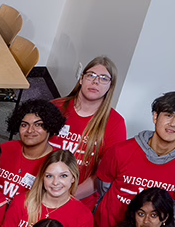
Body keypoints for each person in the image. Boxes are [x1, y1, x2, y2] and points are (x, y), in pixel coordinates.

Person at [94, 91, 175, 227]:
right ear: (155, 116)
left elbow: (171, 206)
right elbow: (103, 188)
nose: (173, 123)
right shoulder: (120, 151)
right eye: (168, 115)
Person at [0, 149, 93, 227]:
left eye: (63, 176)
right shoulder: (22, 201)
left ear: (73, 178)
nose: (55, 182)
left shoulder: (83, 215)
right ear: (42, 177)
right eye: (49, 176)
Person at [51, 58, 126, 196]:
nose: (95, 81)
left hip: (77, 196)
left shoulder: (116, 123)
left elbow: (104, 174)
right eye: (91, 75)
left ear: (110, 86)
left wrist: (67, 197)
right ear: (81, 79)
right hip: (38, 185)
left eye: (104, 78)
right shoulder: (55, 107)